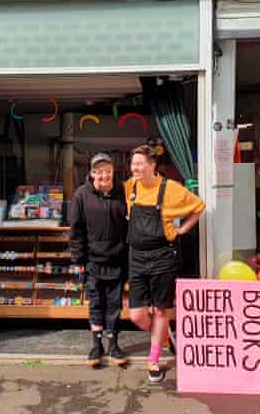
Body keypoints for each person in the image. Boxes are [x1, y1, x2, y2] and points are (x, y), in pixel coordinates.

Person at [126, 144, 205, 383]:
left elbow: (199, 207)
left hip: (162, 256)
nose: (135, 168)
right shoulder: (131, 187)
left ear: (152, 166)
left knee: (161, 310)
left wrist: (183, 229)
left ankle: (154, 359)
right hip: (136, 256)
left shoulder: (171, 189)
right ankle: (164, 338)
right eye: (133, 164)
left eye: (139, 164)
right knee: (137, 315)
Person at [69, 152, 129, 367]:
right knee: (96, 303)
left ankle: (113, 344)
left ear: (113, 172)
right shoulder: (81, 195)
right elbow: (75, 230)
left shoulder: (123, 193)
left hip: (118, 259)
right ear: (92, 173)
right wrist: (78, 259)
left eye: (108, 171)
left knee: (114, 304)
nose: (104, 175)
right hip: (93, 261)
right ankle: (96, 345)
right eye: (99, 171)